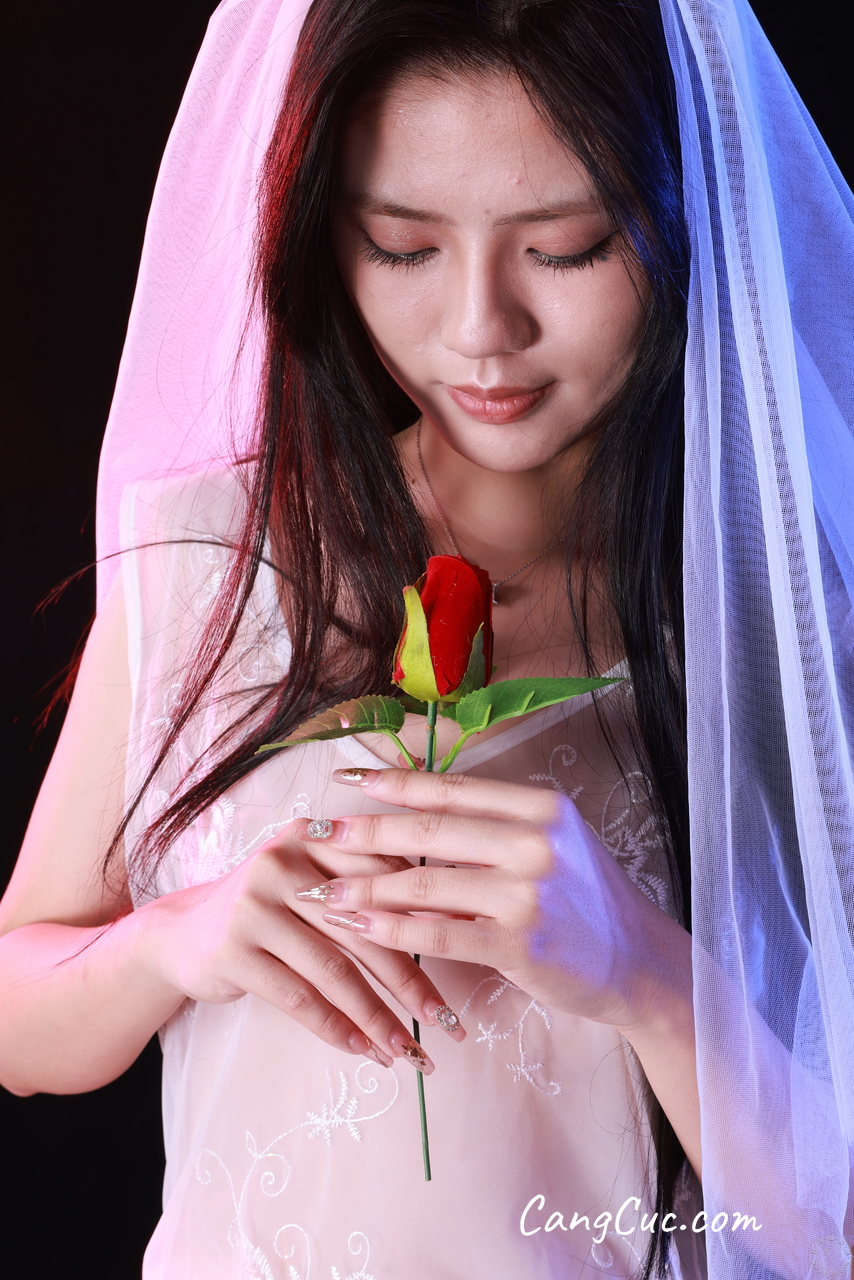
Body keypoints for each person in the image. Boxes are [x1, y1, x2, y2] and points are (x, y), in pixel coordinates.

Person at [2, 1, 853, 1277]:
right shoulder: (212, 555)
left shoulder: (784, 625)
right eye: (401, 246)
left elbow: (830, 1227)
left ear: (689, 213)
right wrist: (170, 938)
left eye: (563, 247)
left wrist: (640, 970)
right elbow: (18, 1012)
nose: (478, 329)